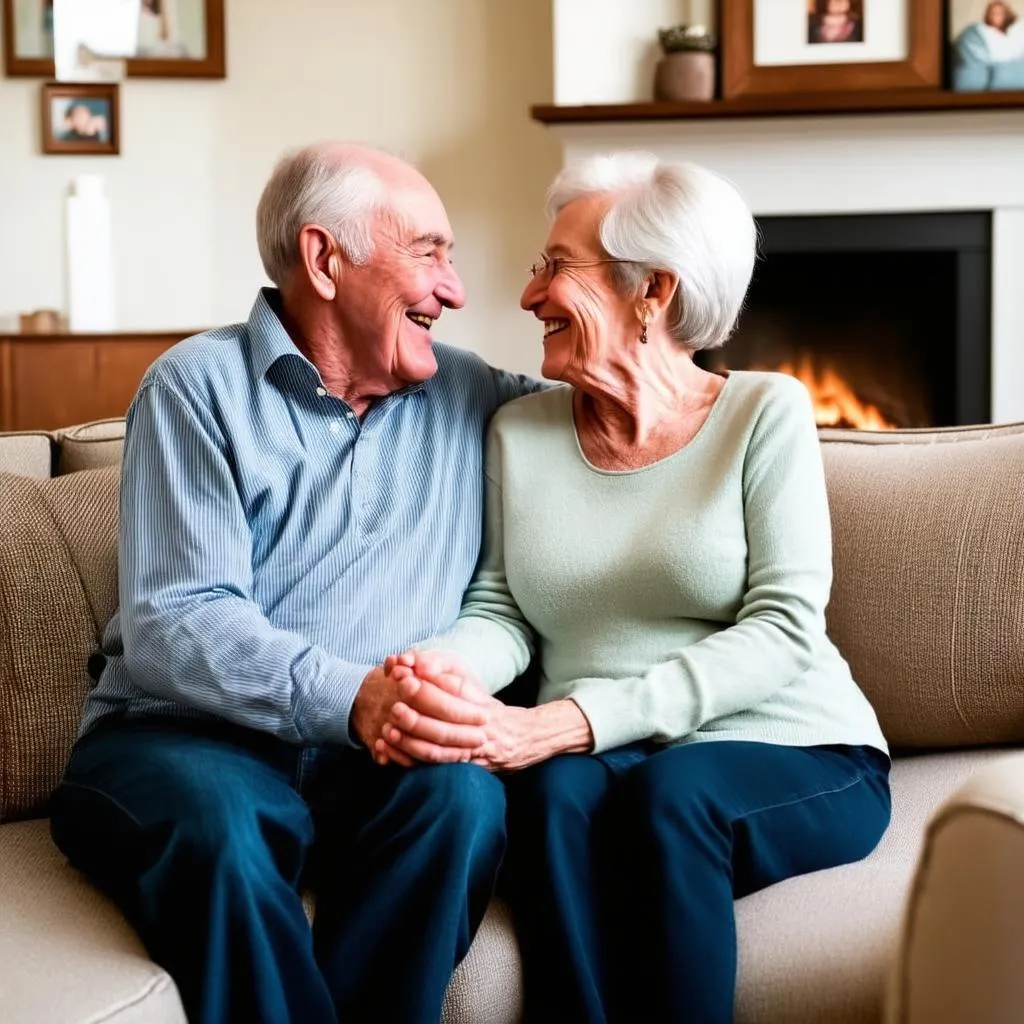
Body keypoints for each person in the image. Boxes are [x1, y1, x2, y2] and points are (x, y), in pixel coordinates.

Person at [379, 152, 891, 1023]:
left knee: (670, 796)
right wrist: (430, 679)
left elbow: (784, 627)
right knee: (549, 795)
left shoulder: (763, 414)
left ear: (652, 290)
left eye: (556, 267)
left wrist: (572, 721)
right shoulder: (520, 432)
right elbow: (503, 610)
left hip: (792, 747)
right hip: (604, 757)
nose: (528, 294)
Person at [49, 142, 538, 1024]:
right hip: (186, 742)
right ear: (324, 258)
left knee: (462, 801)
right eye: (429, 252)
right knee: (223, 829)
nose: (456, 290)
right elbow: (176, 619)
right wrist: (357, 697)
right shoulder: (195, 387)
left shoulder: (474, 398)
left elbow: (624, 412)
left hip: (372, 762)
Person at [952, 2, 1024, 90]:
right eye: (993, 13)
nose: (996, 17)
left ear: (1006, 15)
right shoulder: (981, 32)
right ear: (988, 15)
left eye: (999, 13)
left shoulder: (1015, 31)